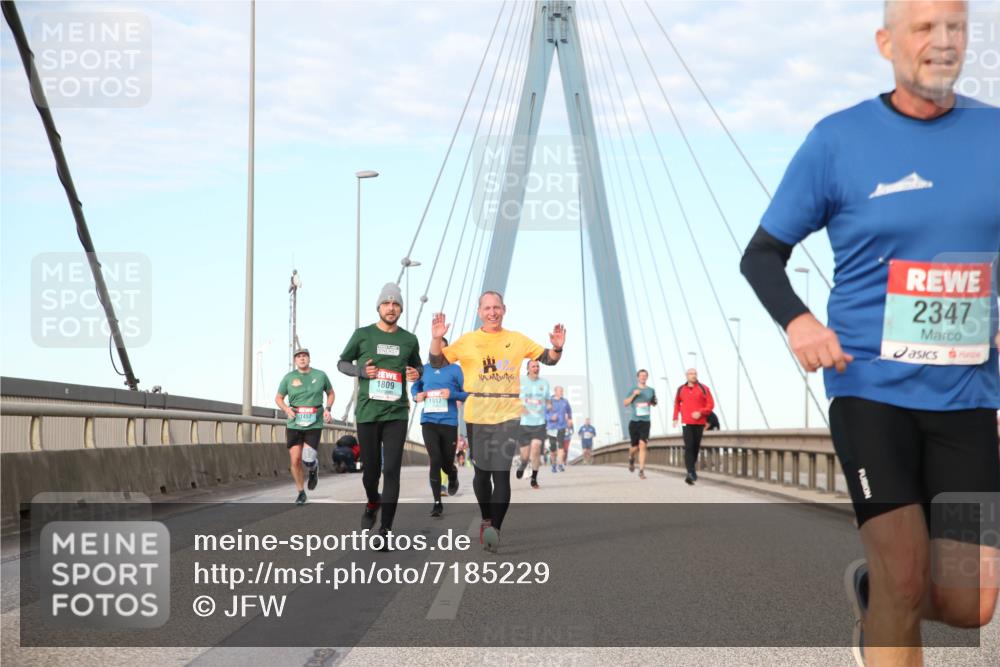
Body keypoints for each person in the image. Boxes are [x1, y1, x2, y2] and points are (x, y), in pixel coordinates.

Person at [739, 2, 999, 664]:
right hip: (870, 388)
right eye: (923, 28)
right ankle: (889, 590)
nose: (942, 42)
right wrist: (798, 321)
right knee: (905, 582)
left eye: (956, 28)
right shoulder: (837, 141)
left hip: (969, 396)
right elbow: (761, 253)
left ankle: (875, 589)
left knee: (973, 602)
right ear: (886, 43)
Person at [429, 291, 564, 553]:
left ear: (504, 309)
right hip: (477, 415)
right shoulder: (468, 341)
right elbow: (437, 360)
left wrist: (557, 347)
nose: (492, 312)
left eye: (497, 308)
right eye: (487, 308)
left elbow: (549, 358)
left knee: (500, 473)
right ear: (479, 311)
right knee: (482, 474)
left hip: (507, 414)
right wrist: (436, 338)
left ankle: (495, 530)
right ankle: (486, 518)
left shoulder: (516, 339)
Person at [338, 283, 422, 541]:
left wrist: (417, 373)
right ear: (379, 307)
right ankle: (372, 502)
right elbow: (342, 363)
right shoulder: (363, 335)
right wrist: (362, 371)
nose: (391, 308)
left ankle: (385, 529)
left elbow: (419, 366)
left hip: (396, 413)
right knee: (371, 472)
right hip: (367, 413)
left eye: (396, 304)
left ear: (401, 309)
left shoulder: (409, 339)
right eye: (386, 303)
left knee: (392, 470)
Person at [411, 337, 469, 517]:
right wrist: (416, 396)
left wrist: (452, 394)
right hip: (428, 421)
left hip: (449, 422)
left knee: (446, 463)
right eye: (435, 348)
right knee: (435, 460)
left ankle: (452, 474)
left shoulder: (455, 370)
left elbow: (467, 393)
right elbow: (415, 388)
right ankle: (437, 503)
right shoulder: (424, 370)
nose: (438, 351)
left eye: (442, 348)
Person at [275, 348, 335, 504]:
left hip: (314, 421)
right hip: (295, 422)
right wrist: (287, 409)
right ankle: (301, 492)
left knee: (307, 458)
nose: (302, 359)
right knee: (295, 460)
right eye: (298, 357)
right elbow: (279, 398)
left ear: (309, 359)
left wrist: (328, 409)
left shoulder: (320, 375)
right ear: (295, 360)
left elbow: (331, 393)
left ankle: (313, 468)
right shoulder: (289, 378)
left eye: (304, 356)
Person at [672, 369, 714, 485]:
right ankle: (690, 472)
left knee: (695, 447)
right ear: (686, 376)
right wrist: (675, 417)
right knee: (689, 446)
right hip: (686, 422)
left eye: (695, 374)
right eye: (691, 374)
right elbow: (676, 403)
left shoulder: (704, 388)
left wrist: (701, 412)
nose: (693, 376)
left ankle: (691, 470)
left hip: (700, 423)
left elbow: (711, 405)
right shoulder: (681, 389)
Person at [517, 359, 549, 489]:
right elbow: (513, 397)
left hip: (539, 422)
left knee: (536, 448)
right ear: (528, 369)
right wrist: (520, 407)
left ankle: (534, 478)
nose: (536, 368)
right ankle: (523, 464)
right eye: (533, 366)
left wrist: (551, 409)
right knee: (525, 455)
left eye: (537, 366)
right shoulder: (520, 381)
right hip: (524, 423)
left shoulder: (544, 383)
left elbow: (548, 400)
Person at [623, 369, 657, 480]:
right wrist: (634, 395)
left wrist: (653, 402)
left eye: (645, 376)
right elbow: (625, 403)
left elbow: (653, 402)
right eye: (641, 375)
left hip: (646, 422)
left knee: (643, 444)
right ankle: (631, 457)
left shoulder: (651, 390)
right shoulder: (633, 389)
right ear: (638, 377)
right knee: (634, 447)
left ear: (647, 377)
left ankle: (641, 471)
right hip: (634, 422)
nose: (643, 377)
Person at [546, 386, 573, 473]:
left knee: (561, 446)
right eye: (560, 391)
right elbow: (544, 413)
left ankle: (560, 464)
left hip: (562, 426)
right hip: (552, 427)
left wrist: (569, 419)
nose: (562, 392)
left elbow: (569, 411)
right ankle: (554, 464)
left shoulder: (565, 401)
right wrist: (550, 417)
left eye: (562, 391)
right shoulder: (549, 401)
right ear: (555, 391)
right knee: (553, 448)